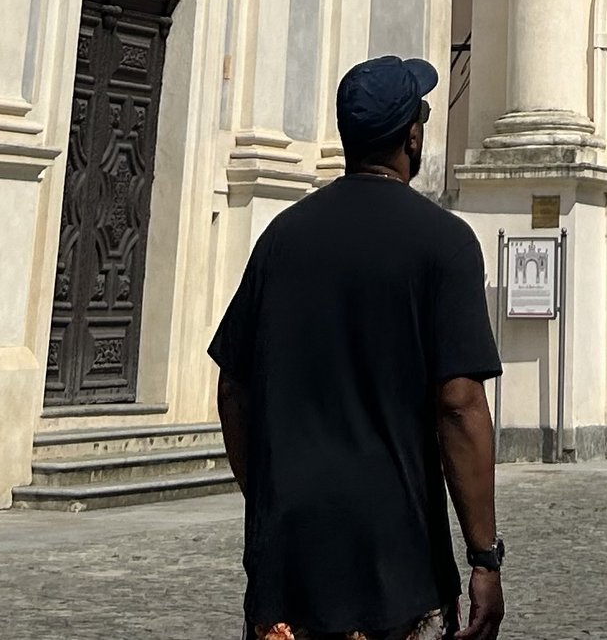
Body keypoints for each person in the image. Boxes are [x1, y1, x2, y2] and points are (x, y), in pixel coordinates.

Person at [212, 56, 505, 640]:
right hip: (393, 558)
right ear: (412, 136)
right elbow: (459, 404)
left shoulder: (282, 238)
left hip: (288, 559)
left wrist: (270, 496)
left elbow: (234, 388)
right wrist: (483, 558)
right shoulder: (444, 244)